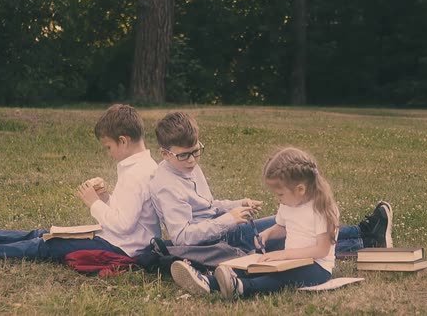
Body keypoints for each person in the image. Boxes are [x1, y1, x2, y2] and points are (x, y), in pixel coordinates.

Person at [149, 112, 392, 295]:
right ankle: (367, 236)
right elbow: (182, 237)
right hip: (215, 238)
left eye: (196, 152)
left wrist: (236, 204)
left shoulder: (187, 166)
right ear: (165, 154)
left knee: (297, 233)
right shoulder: (166, 185)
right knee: (289, 239)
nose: (192, 160)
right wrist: (229, 219)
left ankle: (366, 235)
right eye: (185, 155)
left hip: (225, 227)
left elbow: (208, 204)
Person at [0, 104, 161, 261]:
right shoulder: (140, 167)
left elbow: (124, 226)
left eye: (108, 147)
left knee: (48, 244)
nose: (109, 153)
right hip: (116, 238)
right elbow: (128, 215)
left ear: (123, 140)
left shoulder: (137, 174)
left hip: (122, 248)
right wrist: (105, 198)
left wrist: (94, 203)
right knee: (46, 232)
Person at [213, 147, 339, 299]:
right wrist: (267, 234)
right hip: (291, 261)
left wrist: (284, 255)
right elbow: (282, 227)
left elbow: (321, 250)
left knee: (281, 279)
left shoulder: (321, 208)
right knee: (259, 266)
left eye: (280, 194)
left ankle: (242, 288)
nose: (277, 198)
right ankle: (211, 282)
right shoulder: (288, 204)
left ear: (300, 189)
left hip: (316, 267)